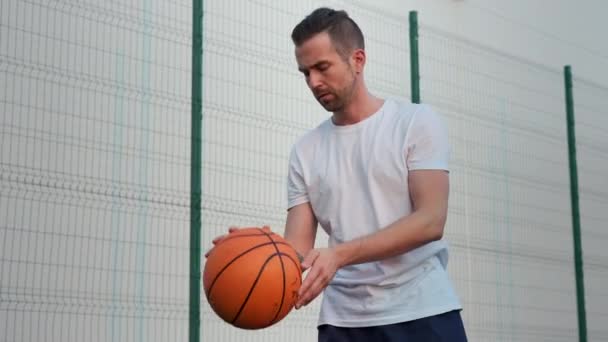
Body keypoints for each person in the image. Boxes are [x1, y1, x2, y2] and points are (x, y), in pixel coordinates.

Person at [208, 7, 467, 341]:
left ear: (357, 60)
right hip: (343, 323)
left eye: (322, 67)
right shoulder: (306, 150)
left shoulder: (415, 123)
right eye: (305, 73)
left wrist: (340, 255)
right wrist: (253, 248)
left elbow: (431, 220)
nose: (314, 82)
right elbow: (297, 252)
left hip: (422, 311)